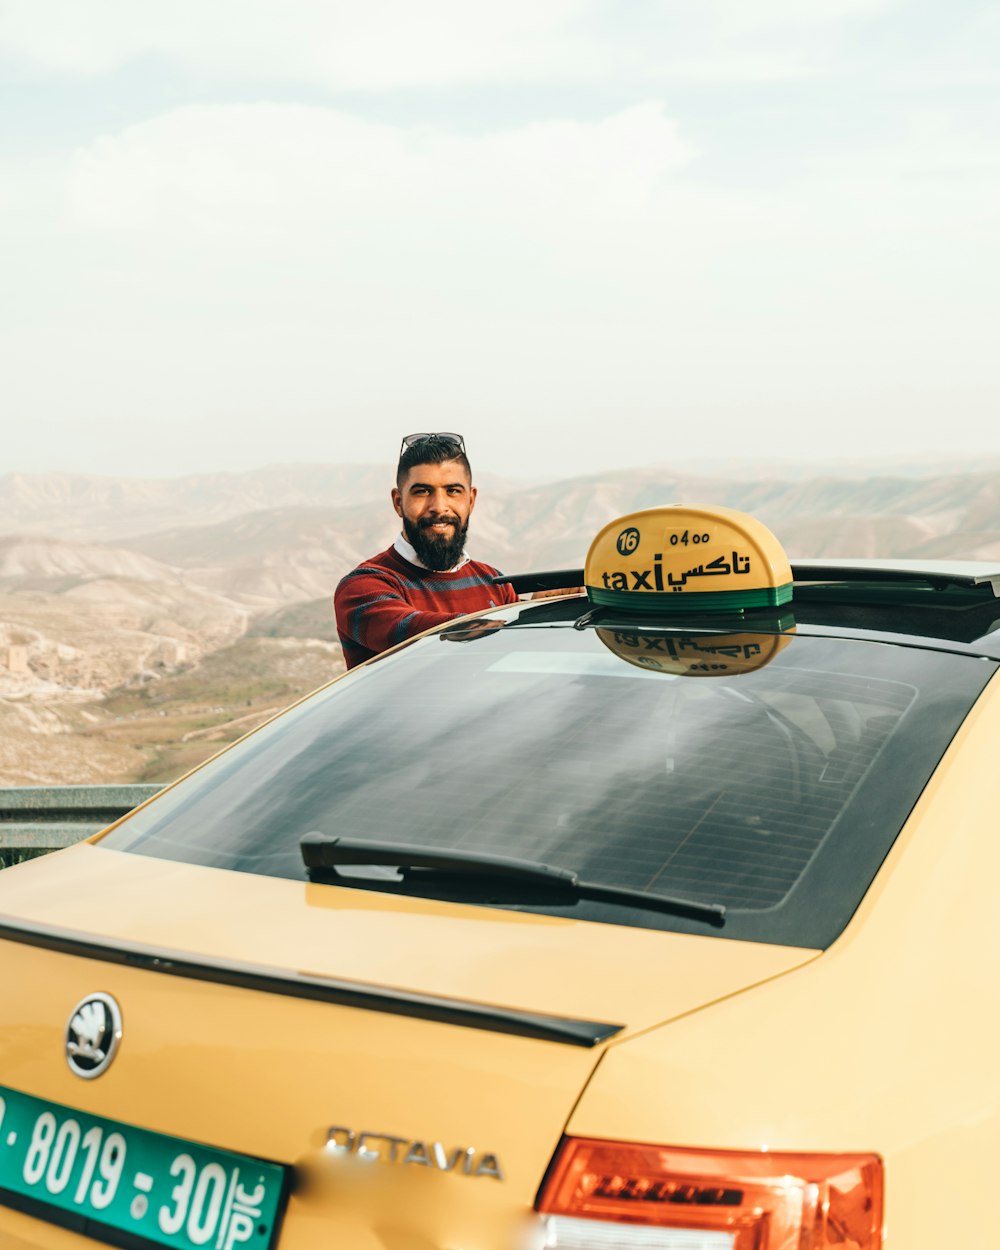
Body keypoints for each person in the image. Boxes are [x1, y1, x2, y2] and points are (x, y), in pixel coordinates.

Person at [334, 433, 519, 669]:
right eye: (422, 491)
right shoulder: (363, 586)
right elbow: (406, 629)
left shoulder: (495, 582)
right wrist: (489, 625)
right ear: (398, 502)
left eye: (453, 491)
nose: (439, 507)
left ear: (471, 500)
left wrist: (543, 610)